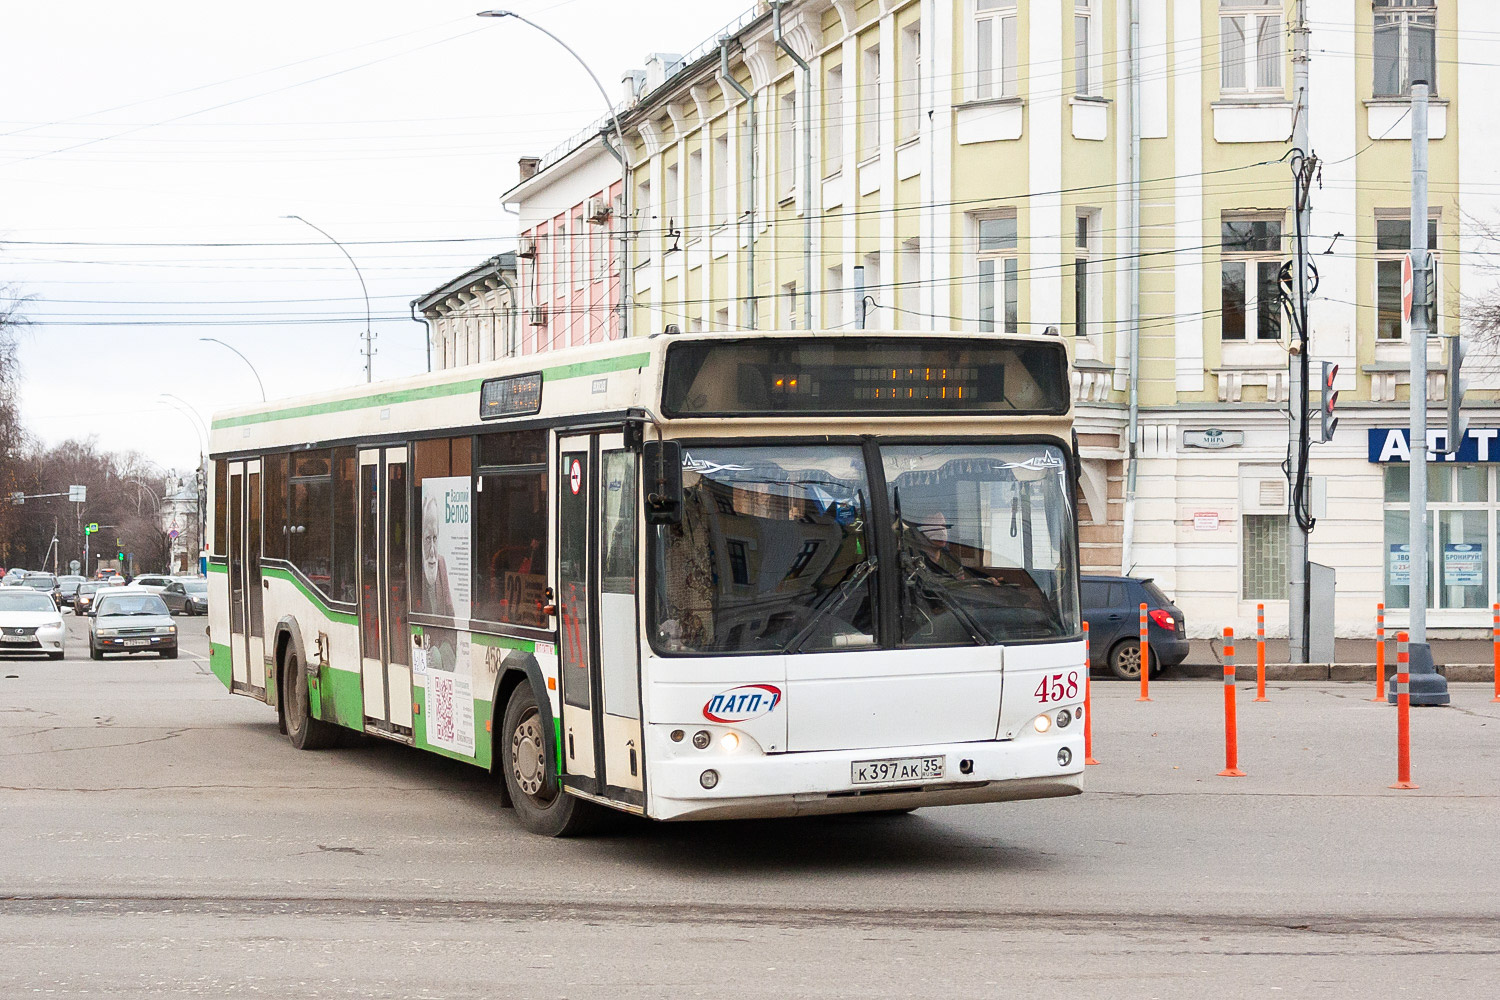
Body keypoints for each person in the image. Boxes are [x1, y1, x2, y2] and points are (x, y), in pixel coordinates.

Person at [421, 494, 454, 618]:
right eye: (427, 539)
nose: (432, 552)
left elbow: (449, 605)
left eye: (435, 538)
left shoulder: (440, 562)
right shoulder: (416, 568)